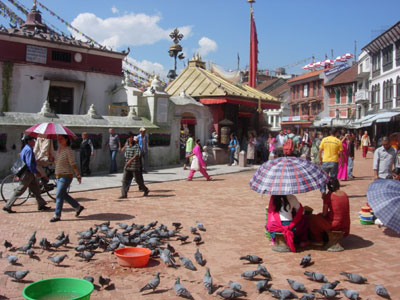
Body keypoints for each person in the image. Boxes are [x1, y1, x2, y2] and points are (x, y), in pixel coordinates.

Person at [3, 135, 51, 213]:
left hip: (29, 174)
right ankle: (8, 205)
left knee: (36, 189)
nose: (34, 142)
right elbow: (29, 163)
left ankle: (41, 205)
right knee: (20, 190)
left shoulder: (25, 148)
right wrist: (36, 171)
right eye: (33, 140)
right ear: (29, 141)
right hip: (27, 174)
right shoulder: (29, 150)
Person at [307, 178, 350, 246]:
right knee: (318, 217)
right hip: (345, 222)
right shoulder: (345, 194)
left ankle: (318, 240)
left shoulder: (329, 196)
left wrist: (324, 199)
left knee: (311, 218)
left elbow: (324, 214)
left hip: (335, 223)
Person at [50, 135, 84, 222]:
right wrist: (51, 159)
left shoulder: (68, 150)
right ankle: (78, 207)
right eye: (58, 139)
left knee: (59, 194)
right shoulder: (59, 150)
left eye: (61, 139)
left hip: (66, 175)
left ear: (66, 139)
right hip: (58, 175)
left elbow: (73, 163)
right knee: (63, 194)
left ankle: (57, 215)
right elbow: (57, 162)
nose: (59, 140)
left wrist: (78, 175)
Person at [120, 133, 149, 199]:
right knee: (124, 180)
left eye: (132, 137)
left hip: (135, 167)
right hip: (127, 167)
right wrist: (127, 162)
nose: (132, 139)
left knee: (138, 180)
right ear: (128, 138)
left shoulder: (136, 146)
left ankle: (145, 189)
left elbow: (137, 155)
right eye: (130, 137)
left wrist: (130, 161)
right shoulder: (127, 146)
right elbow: (125, 155)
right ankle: (124, 194)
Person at [319, 128, 344, 193]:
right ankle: (331, 191)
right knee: (333, 178)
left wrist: (320, 160)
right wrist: (342, 162)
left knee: (324, 177)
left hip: (325, 161)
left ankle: (323, 190)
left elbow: (320, 151)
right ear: (336, 133)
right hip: (334, 161)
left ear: (330, 133)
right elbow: (341, 153)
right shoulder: (338, 141)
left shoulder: (324, 140)